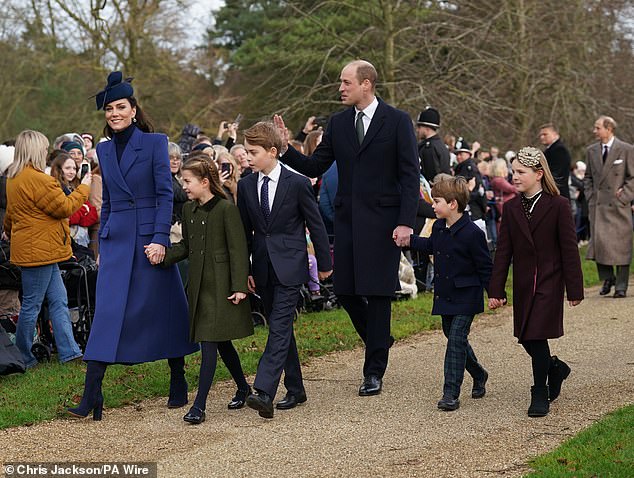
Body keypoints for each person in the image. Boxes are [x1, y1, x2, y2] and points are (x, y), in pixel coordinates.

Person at [274, 60, 419, 396]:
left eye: (345, 82)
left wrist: (405, 223)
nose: (340, 88)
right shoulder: (338, 123)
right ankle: (379, 340)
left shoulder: (397, 121)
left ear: (366, 83)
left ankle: (374, 372)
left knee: (380, 293)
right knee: (347, 291)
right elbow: (314, 165)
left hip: (385, 223)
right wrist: (284, 148)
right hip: (348, 222)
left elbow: (410, 176)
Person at [67, 71, 197, 420]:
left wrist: (158, 239)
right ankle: (92, 395)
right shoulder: (105, 150)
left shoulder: (155, 143)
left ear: (134, 109)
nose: (114, 113)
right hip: (116, 241)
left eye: (121, 107)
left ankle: (177, 377)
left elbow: (165, 194)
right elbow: (107, 200)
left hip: (148, 241)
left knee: (165, 309)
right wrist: (104, 238)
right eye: (109, 108)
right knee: (107, 315)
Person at [237, 122, 332, 418]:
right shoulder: (246, 186)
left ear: (273, 151)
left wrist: (326, 266)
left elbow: (315, 224)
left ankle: (264, 390)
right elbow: (244, 234)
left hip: (291, 266)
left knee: (278, 326)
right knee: (282, 329)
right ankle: (296, 388)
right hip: (262, 268)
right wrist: (245, 271)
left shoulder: (298, 183)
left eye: (253, 152)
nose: (248, 157)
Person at [488, 146, 583, 417]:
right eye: (513, 171)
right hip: (523, 284)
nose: (514, 176)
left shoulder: (558, 205)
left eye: (521, 172)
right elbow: (503, 251)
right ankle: (556, 368)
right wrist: (497, 289)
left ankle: (539, 391)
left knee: (536, 334)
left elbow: (569, 249)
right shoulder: (511, 207)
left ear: (538, 174)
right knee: (526, 338)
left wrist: (574, 288)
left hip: (549, 282)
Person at [162, 155, 253, 424]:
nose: (184, 187)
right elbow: (186, 247)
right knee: (222, 343)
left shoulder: (226, 209)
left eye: (188, 181)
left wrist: (240, 286)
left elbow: (239, 250)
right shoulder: (189, 211)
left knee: (210, 344)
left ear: (204, 181)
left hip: (222, 288)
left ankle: (199, 406)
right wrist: (162, 256)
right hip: (199, 288)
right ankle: (243, 387)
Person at [3, 130, 89, 368]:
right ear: (35, 151)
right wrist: (85, 187)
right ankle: (23, 356)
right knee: (32, 304)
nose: (45, 152)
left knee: (58, 300)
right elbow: (64, 207)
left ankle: (69, 351)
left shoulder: (14, 178)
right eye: (43, 148)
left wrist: (10, 231)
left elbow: (10, 215)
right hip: (39, 252)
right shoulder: (38, 179)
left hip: (40, 250)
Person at [405, 176, 492, 411]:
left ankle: (450, 393)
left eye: (437, 201)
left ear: (452, 204)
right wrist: (408, 240)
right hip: (445, 295)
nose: (433, 206)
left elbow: (485, 266)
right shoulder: (439, 227)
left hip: (467, 295)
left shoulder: (472, 233)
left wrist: (493, 292)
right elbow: (430, 246)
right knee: (454, 337)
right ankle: (479, 373)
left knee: (455, 340)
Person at [583, 116, 634, 298]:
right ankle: (608, 278)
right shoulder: (591, 151)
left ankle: (621, 286)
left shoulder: (627, 149)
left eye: (597, 127)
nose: (594, 131)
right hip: (598, 206)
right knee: (600, 245)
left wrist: (625, 196)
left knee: (622, 247)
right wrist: (590, 196)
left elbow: (633, 177)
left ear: (609, 128)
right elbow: (587, 177)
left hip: (619, 207)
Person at [49, 153, 98, 247]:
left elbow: (92, 216)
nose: (72, 172)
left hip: (80, 238)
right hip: (64, 240)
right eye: (67, 168)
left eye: (74, 168)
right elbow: (68, 216)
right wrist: (83, 211)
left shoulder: (73, 188)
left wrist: (79, 212)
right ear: (59, 169)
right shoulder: (55, 189)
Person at [416, 107, 451, 183]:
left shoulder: (429, 148)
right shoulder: (440, 145)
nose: (417, 130)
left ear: (427, 128)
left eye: (419, 127)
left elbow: (431, 177)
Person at [539, 124, 571, 199]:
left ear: (555, 134)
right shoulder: (550, 150)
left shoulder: (559, 150)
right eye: (541, 135)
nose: (542, 137)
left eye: (545, 134)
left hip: (557, 194)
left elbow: (555, 174)